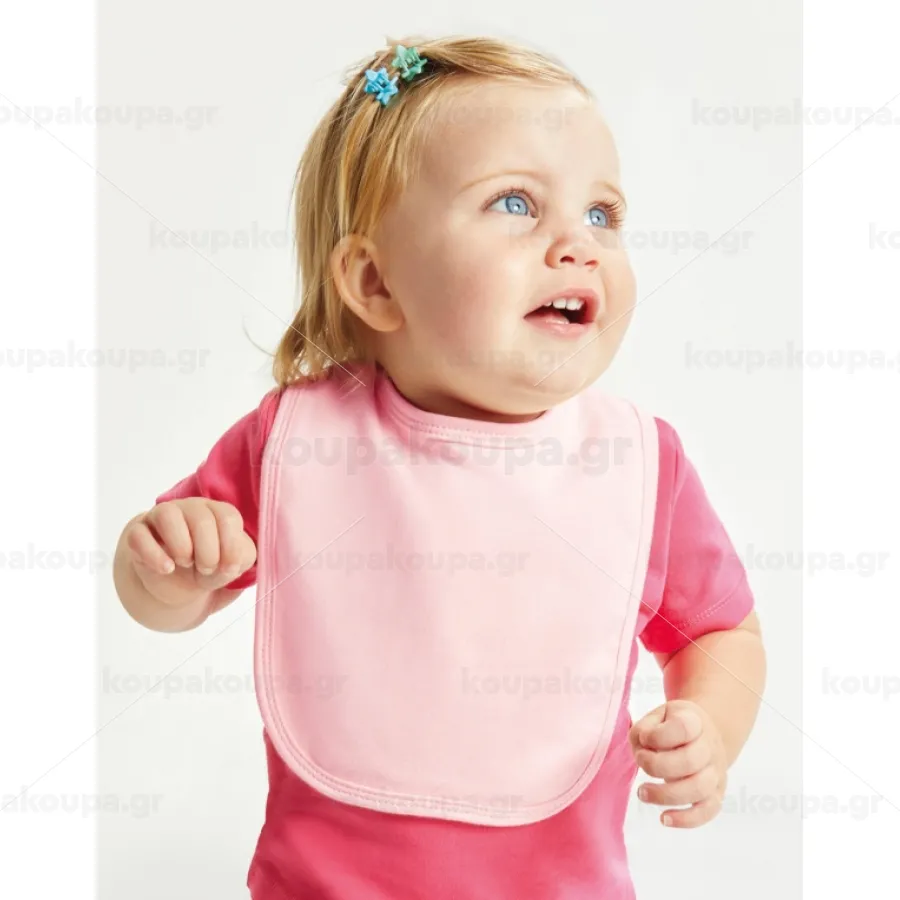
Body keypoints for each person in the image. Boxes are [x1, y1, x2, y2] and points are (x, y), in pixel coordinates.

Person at [112, 34, 766, 900]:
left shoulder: (637, 465)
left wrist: (711, 727)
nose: (578, 244)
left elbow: (722, 633)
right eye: (515, 203)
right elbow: (162, 598)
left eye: (603, 214)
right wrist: (167, 566)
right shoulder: (298, 440)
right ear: (375, 283)